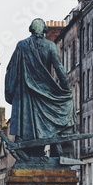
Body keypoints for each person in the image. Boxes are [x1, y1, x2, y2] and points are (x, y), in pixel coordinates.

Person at [5, 18, 75, 156]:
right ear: (44, 31)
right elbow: (59, 68)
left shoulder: (21, 45)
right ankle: (60, 139)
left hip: (25, 92)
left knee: (27, 123)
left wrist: (11, 89)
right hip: (43, 91)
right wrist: (66, 89)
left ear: (31, 29)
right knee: (67, 102)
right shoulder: (50, 46)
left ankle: (39, 147)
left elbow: (11, 68)